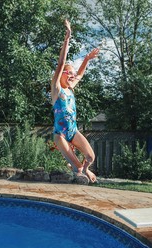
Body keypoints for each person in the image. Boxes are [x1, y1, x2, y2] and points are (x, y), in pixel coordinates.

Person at [51, 19, 99, 184]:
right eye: (68, 73)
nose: (72, 75)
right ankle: (80, 171)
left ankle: (85, 169)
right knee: (77, 168)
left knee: (90, 157)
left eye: (72, 73)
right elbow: (61, 63)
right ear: (62, 73)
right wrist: (67, 38)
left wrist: (86, 59)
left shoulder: (71, 88)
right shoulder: (57, 89)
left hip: (73, 131)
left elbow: (80, 75)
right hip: (60, 135)